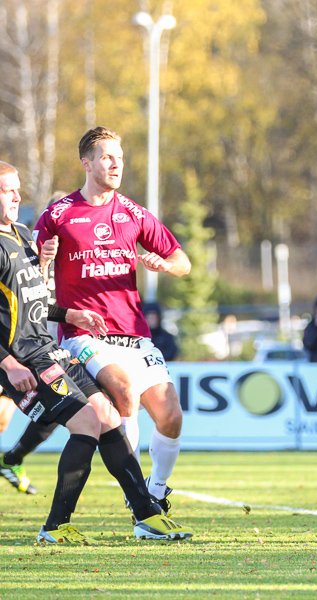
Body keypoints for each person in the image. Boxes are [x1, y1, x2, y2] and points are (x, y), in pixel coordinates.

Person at [0, 161, 191, 542]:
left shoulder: (21, 235)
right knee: (89, 420)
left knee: (106, 415)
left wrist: (71, 314)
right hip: (18, 359)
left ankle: (146, 515)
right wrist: (6, 361)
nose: (18, 196)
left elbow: (34, 301)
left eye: (17, 188)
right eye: (7, 190)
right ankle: (55, 527)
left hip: (45, 350)